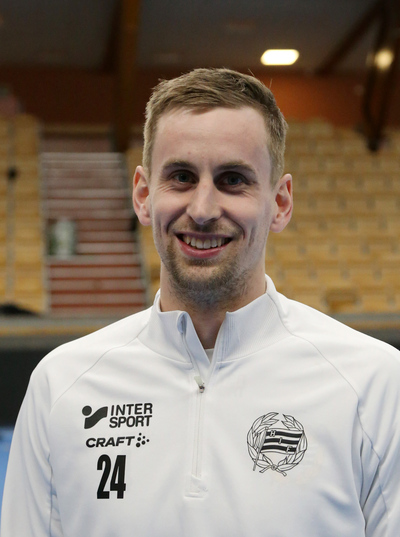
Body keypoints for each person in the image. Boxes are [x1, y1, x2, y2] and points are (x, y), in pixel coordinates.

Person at [1, 68, 400, 537]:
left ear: (281, 202)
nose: (204, 209)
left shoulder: (374, 383)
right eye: (182, 177)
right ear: (143, 195)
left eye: (233, 179)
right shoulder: (61, 386)